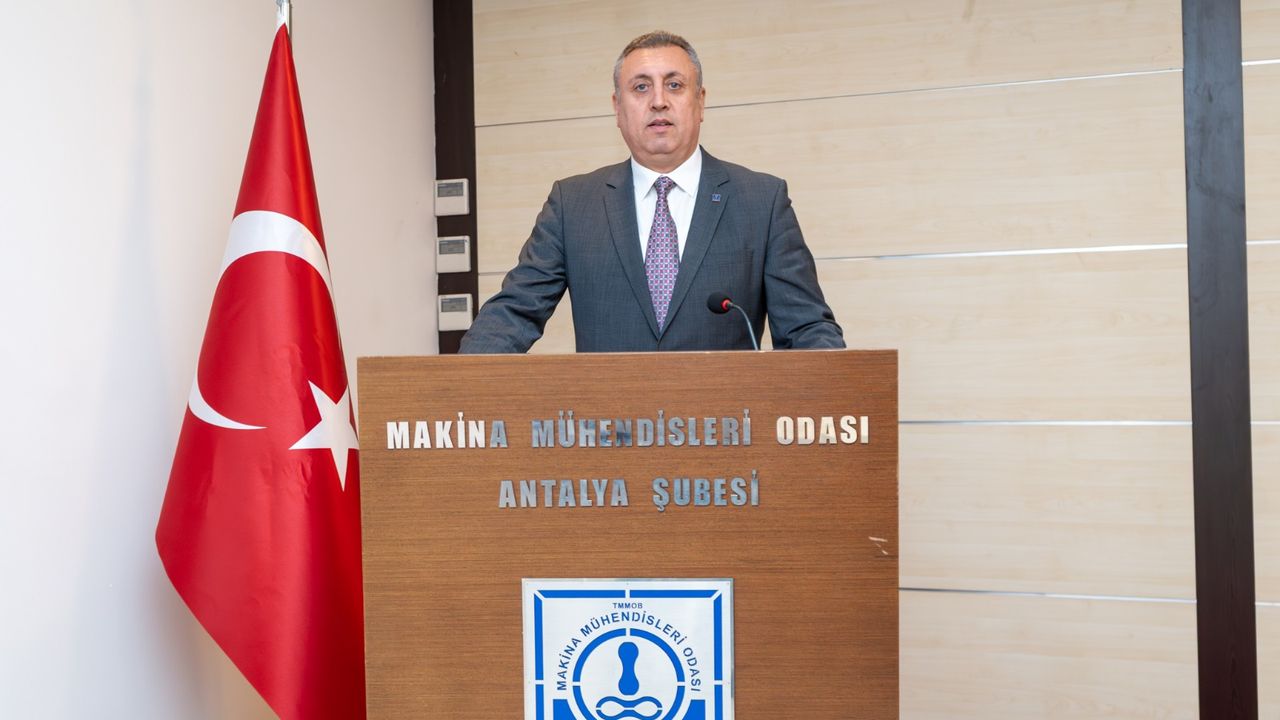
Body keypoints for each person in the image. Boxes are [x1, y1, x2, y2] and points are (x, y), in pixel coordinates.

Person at [459, 30, 844, 353]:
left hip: (726, 419)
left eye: (674, 85)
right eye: (641, 87)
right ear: (617, 108)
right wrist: (455, 385)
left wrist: (834, 386)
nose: (659, 100)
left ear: (700, 102)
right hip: (609, 420)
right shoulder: (572, 205)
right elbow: (513, 314)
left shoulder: (762, 201)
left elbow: (807, 328)